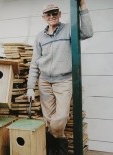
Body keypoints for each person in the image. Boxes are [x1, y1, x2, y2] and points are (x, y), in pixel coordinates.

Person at [26, 1, 93, 155]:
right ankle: (57, 151)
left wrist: (83, 7)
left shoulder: (69, 29)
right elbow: (34, 64)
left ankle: (53, 146)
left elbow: (88, 32)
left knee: (61, 116)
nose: (52, 16)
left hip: (64, 80)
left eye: (55, 13)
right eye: (48, 14)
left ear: (60, 14)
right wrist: (30, 87)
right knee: (49, 118)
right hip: (44, 81)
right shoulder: (39, 37)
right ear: (43, 17)